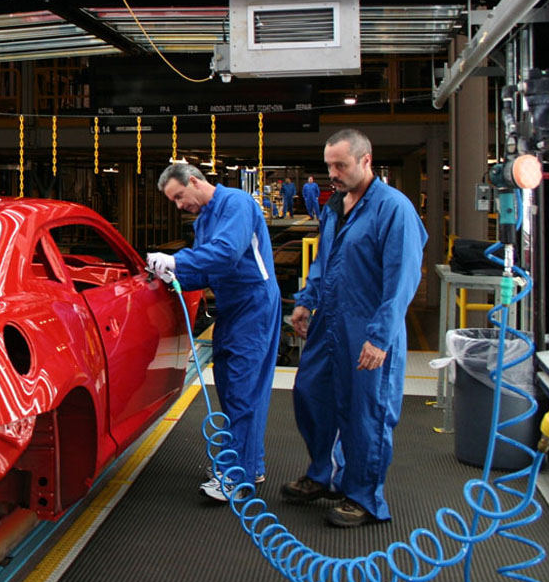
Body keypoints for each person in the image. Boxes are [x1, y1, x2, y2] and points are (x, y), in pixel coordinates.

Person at [282, 129, 427, 527]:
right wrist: (306, 300)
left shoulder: (393, 209)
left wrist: (380, 337)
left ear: (366, 161)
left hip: (368, 325)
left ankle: (363, 496)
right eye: (329, 165)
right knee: (311, 396)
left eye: (340, 165)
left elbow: (402, 280)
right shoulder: (335, 206)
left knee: (367, 413)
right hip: (329, 320)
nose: (333, 173)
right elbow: (325, 259)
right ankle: (323, 476)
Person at [148, 162, 282, 502]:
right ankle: (249, 464)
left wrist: (177, 261)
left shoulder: (236, 203)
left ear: (194, 181)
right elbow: (207, 270)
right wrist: (171, 276)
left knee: (242, 388)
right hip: (234, 307)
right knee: (232, 384)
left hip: (253, 304)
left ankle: (237, 477)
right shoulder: (206, 218)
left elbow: (224, 254)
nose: (179, 205)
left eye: (179, 196)